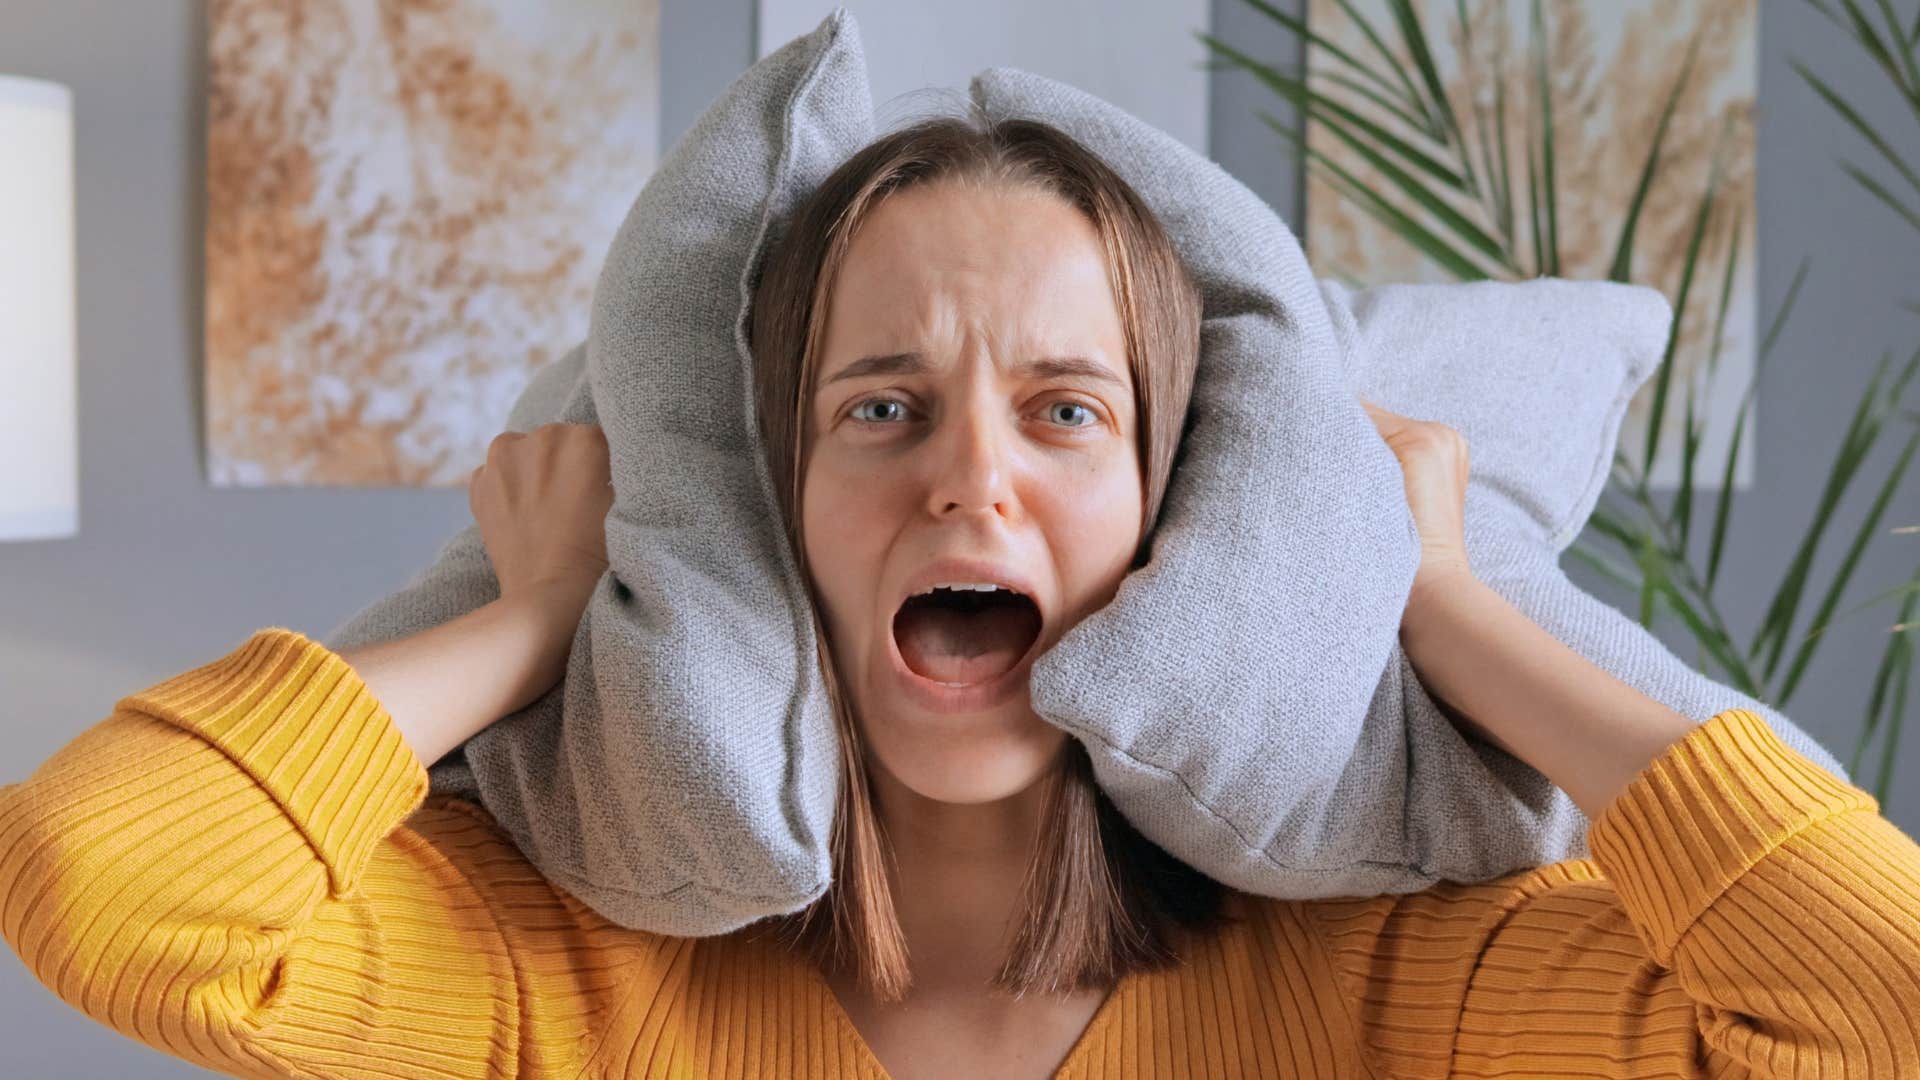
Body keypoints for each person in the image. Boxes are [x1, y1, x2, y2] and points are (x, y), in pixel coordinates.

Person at [3, 112, 1918, 1080]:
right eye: (882, 407)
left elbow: (1873, 1008)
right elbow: (107, 886)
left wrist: (1438, 596)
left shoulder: (1388, 978)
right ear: (773, 513)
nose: (968, 474)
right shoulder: (568, 978)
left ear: (1186, 514)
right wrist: (537, 612)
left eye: (1067, 411)